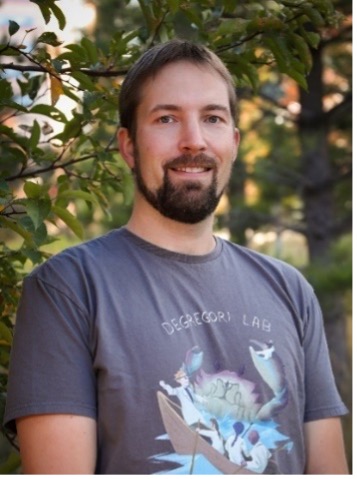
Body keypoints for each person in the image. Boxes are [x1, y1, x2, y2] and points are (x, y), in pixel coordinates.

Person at [4, 39, 349, 475]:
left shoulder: (290, 289)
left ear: (234, 142)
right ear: (128, 146)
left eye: (212, 118)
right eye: (167, 118)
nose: (193, 141)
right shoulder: (68, 290)